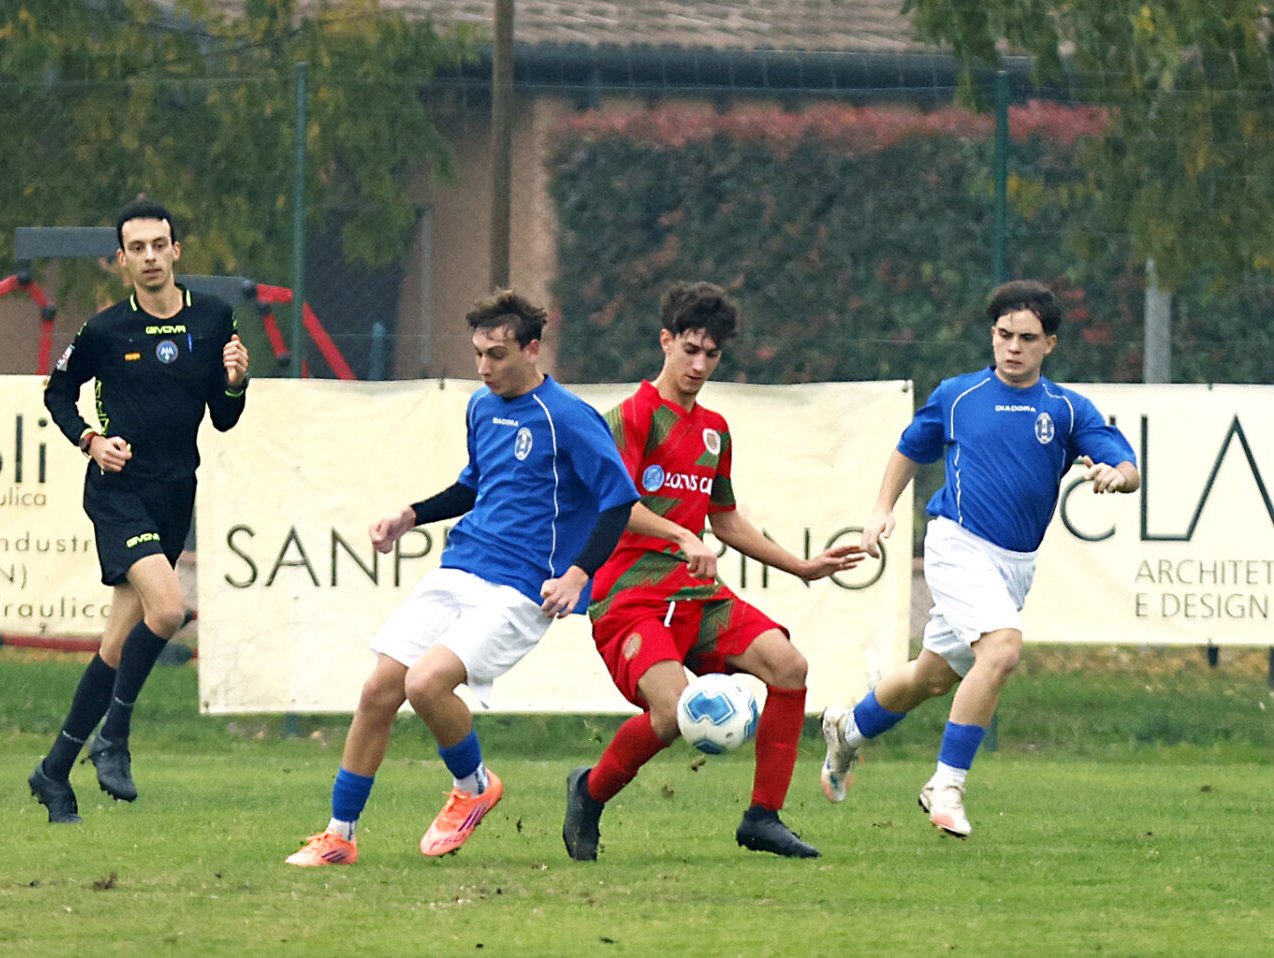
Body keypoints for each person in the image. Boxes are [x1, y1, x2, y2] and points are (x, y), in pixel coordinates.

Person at [285, 290, 639, 867]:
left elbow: (618, 499)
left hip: (524, 588)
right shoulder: (480, 407)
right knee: (378, 691)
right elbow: (476, 484)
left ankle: (474, 787)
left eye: (497, 355)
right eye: (477, 353)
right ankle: (338, 836)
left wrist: (578, 574)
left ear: (532, 348)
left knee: (426, 684)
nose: (483, 367)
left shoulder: (569, 417)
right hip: (462, 567)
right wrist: (412, 515)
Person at [818, 279, 1140, 839]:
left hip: (1015, 566)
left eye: (1027, 338)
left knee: (930, 677)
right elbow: (909, 449)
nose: (1013, 347)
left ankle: (847, 731)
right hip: (956, 543)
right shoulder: (959, 395)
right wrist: (881, 509)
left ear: (1050, 344)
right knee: (1003, 649)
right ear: (992, 335)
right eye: (1004, 334)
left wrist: (1118, 474)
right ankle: (946, 785)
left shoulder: (1067, 409)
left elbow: (1128, 467)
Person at [561, 281, 865, 861]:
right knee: (671, 713)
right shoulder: (630, 417)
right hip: (630, 595)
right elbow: (614, 506)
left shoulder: (714, 429)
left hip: (697, 593)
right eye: (690, 350)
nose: (699, 365)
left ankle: (763, 817)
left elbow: (723, 519)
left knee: (789, 666)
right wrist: (680, 534)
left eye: (712, 354)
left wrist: (800, 565)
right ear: (665, 341)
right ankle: (589, 792)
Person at [29, 198, 250, 824]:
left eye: (159, 245)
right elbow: (58, 392)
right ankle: (115, 737)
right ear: (121, 260)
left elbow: (224, 418)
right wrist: (91, 441)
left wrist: (236, 382)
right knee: (171, 608)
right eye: (137, 248)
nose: (149, 257)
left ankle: (52, 773)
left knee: (116, 646)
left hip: (174, 492)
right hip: (118, 491)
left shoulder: (213, 318)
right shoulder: (105, 330)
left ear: (176, 251)